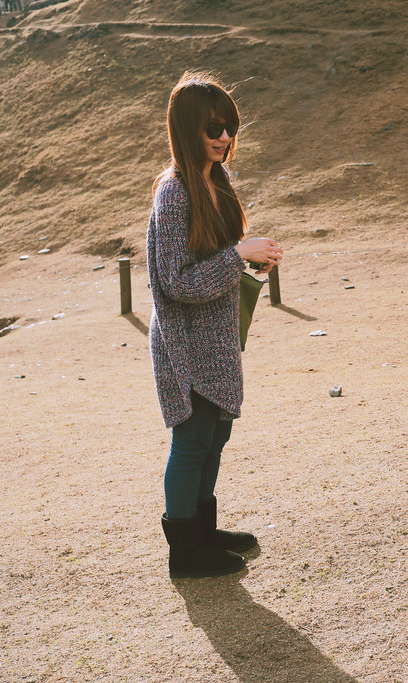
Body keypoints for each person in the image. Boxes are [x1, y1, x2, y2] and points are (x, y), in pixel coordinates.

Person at [147, 71, 284, 579]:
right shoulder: (174, 191)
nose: (225, 137)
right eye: (213, 128)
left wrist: (253, 261)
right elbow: (176, 280)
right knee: (192, 440)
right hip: (185, 343)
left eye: (229, 126)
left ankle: (204, 532)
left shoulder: (214, 180)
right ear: (188, 130)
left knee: (216, 436)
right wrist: (237, 256)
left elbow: (216, 260)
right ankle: (185, 551)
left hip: (218, 338)